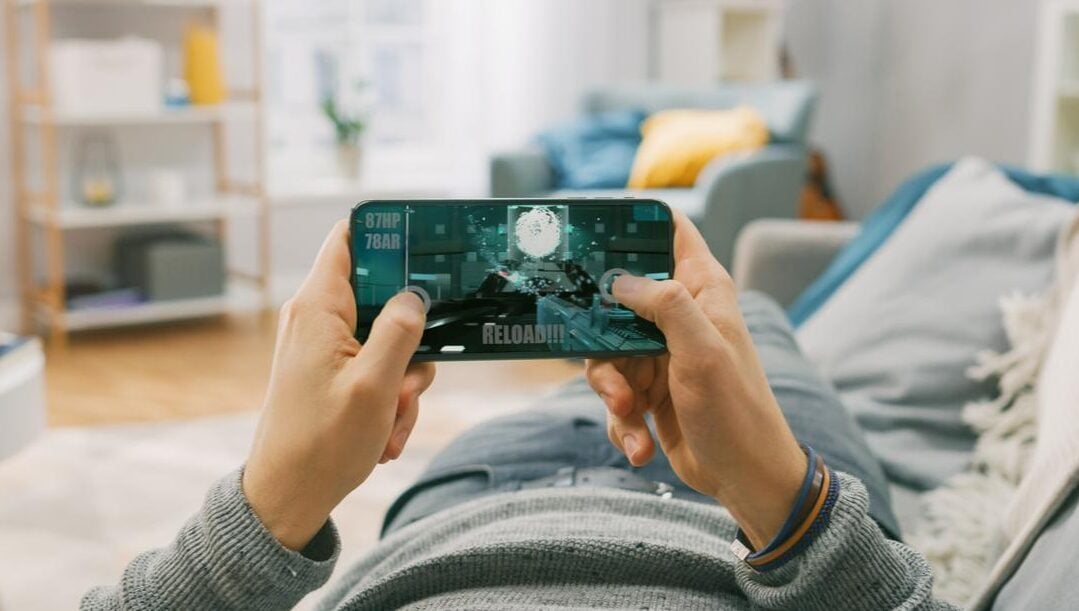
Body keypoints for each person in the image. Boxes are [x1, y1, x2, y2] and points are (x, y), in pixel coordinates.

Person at [82, 213, 954, 610]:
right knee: (749, 318)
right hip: (760, 528)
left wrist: (275, 500)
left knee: (616, 354)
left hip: (473, 502)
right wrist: (774, 490)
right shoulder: (768, 496)